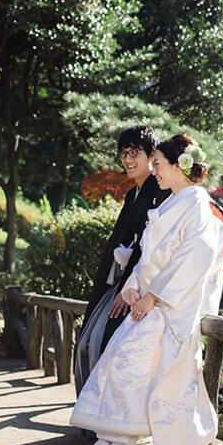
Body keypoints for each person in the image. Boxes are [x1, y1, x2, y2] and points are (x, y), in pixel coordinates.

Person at [68, 134, 223, 445]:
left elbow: (194, 254)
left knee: (127, 366)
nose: (154, 170)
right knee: (116, 362)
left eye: (158, 164)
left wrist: (155, 295)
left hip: (167, 307)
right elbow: (150, 256)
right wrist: (133, 289)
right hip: (149, 303)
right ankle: (111, 439)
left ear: (178, 166)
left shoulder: (196, 202)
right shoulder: (173, 202)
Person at [73, 126, 170, 394]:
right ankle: (89, 419)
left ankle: (102, 420)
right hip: (120, 281)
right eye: (124, 153)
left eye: (134, 153)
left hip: (140, 289)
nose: (127, 160)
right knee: (87, 342)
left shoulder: (159, 192)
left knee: (103, 344)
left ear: (152, 155)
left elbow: (154, 250)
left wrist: (129, 289)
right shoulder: (133, 194)